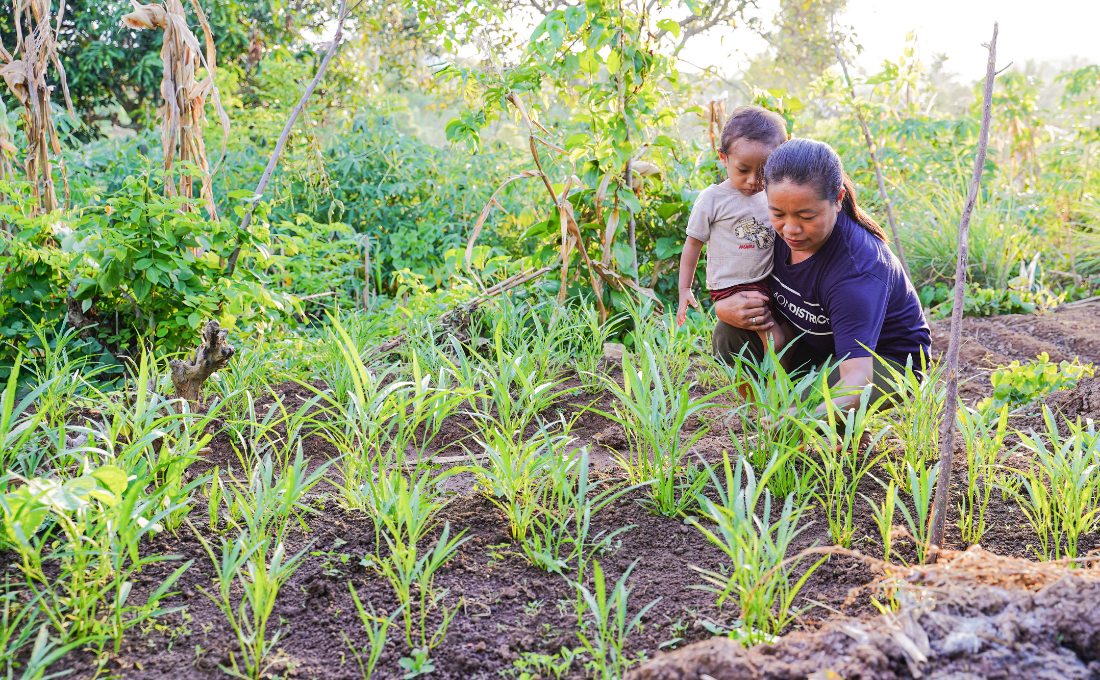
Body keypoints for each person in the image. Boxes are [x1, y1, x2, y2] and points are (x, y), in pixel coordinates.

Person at [713, 138, 931, 411]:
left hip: (882, 362)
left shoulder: (857, 270)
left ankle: (822, 426)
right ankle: (767, 419)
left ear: (838, 199)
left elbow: (857, 377)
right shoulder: (768, 232)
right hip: (818, 343)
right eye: (778, 213)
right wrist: (725, 306)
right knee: (730, 331)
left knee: (803, 406)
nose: (790, 229)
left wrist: (800, 416)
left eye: (806, 216)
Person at [676, 105, 789, 355]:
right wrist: (684, 289)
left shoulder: (773, 194)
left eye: (763, 171)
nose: (753, 180)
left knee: (784, 337)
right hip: (734, 285)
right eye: (743, 170)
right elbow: (693, 244)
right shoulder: (712, 199)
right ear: (723, 158)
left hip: (766, 280)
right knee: (777, 341)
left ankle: (777, 385)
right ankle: (776, 392)